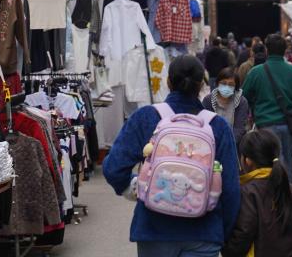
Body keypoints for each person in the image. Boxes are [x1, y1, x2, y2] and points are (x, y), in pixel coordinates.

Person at [103, 55, 241, 257]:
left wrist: (139, 186)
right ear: (201, 85)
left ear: (168, 82)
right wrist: (222, 233)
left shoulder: (146, 117)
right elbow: (230, 189)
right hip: (203, 232)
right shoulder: (217, 126)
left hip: (154, 230)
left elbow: (113, 168)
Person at [222, 130, 292, 257]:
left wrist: (227, 250)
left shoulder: (248, 192)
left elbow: (244, 232)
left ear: (247, 160)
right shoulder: (289, 188)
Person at [241, 33, 292, 184]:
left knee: (267, 165)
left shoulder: (256, 72)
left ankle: (270, 200)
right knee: (287, 163)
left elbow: (243, 98)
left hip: (265, 125)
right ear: (285, 50)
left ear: (267, 50)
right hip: (290, 125)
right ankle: (288, 198)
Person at [203, 68, 251, 146]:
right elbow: (205, 124)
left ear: (235, 87)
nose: (227, 87)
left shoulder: (241, 102)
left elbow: (239, 128)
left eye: (231, 84)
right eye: (223, 83)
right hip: (211, 143)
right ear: (217, 83)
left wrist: (228, 144)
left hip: (233, 144)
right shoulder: (208, 100)